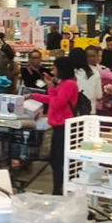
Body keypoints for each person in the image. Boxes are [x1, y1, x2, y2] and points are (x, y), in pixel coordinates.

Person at [26, 57, 77, 195]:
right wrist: (34, 96)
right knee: (56, 159)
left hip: (63, 125)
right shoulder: (64, 83)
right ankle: (58, 189)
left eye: (55, 67)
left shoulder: (69, 84)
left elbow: (57, 103)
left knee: (57, 160)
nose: (53, 70)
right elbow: (53, 99)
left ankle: (58, 190)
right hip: (59, 125)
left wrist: (50, 87)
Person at [68, 47, 100, 115]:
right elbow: (99, 95)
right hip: (90, 109)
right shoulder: (95, 73)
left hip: (71, 110)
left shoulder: (69, 74)